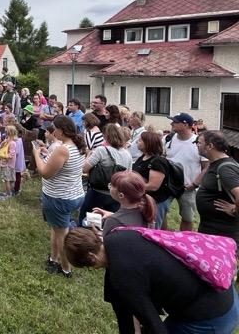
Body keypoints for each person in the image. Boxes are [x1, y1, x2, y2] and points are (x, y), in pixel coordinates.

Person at [64, 228, 239, 333]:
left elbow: (153, 324)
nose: (93, 269)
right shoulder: (120, 234)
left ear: (91, 257)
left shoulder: (123, 278)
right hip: (224, 292)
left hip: (211, 317)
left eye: (88, 266)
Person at [32, 115, 86, 278]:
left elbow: (45, 173)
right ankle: (53, 259)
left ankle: (65, 269)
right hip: (74, 194)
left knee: (62, 235)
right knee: (56, 229)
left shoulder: (62, 149)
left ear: (62, 130)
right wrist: (46, 154)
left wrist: (36, 154)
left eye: (55, 129)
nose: (53, 132)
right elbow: (61, 166)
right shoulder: (76, 145)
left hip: (59, 198)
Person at [79, 124, 133, 227]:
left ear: (106, 136)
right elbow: (129, 174)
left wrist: (89, 155)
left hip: (98, 193)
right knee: (111, 225)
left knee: (88, 223)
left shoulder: (101, 150)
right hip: (116, 194)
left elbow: (85, 168)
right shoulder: (127, 154)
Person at [165, 112, 207, 231]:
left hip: (187, 188)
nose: (171, 124)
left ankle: (183, 240)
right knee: (160, 213)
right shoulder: (168, 139)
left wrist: (194, 184)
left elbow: (206, 167)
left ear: (185, 125)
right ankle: (164, 238)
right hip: (167, 185)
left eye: (175, 122)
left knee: (187, 218)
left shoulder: (198, 143)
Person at [196, 130, 239, 242]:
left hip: (222, 233)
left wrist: (234, 210)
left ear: (210, 146)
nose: (197, 145)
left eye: (199, 142)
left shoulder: (225, 168)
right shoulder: (215, 163)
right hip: (211, 230)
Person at [92, 170, 156, 236]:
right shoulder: (146, 212)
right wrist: (112, 215)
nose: (109, 186)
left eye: (112, 185)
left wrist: (97, 232)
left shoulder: (113, 221)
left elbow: (106, 241)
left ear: (121, 195)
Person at [132, 131, 172, 228]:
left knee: (152, 228)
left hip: (155, 202)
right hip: (144, 200)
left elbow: (153, 186)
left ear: (148, 143)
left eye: (140, 140)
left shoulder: (158, 161)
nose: (137, 142)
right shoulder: (142, 157)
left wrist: (133, 186)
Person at [0, 125, 18, 200]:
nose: (5, 133)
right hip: (6, 164)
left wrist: (4, 156)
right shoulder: (7, 141)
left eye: (6, 132)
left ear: (9, 133)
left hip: (8, 164)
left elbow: (11, 154)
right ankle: (7, 192)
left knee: (7, 180)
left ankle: (8, 194)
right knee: (6, 179)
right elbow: (2, 149)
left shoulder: (12, 143)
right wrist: (3, 144)